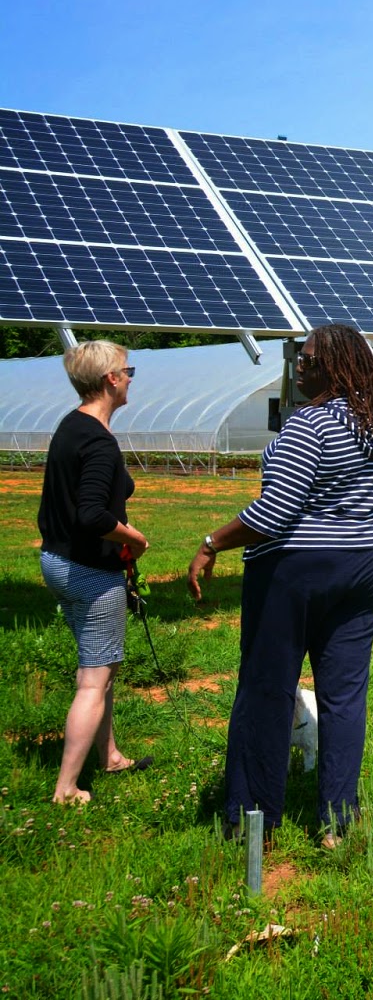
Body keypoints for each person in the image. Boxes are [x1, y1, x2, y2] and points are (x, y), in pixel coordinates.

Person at [187, 324, 373, 846]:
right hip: (369, 565)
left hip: (296, 568)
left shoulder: (309, 424)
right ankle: (337, 822)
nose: (300, 368)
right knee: (345, 695)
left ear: (338, 367)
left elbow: (274, 511)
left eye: (308, 361)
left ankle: (252, 823)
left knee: (267, 690)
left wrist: (212, 542)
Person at [37, 340, 151, 804]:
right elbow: (92, 516)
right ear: (111, 380)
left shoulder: (72, 426)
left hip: (58, 561)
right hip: (88, 571)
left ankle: (110, 755)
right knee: (93, 679)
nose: (130, 379)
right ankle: (66, 788)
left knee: (106, 668)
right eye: (128, 371)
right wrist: (135, 539)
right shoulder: (99, 443)